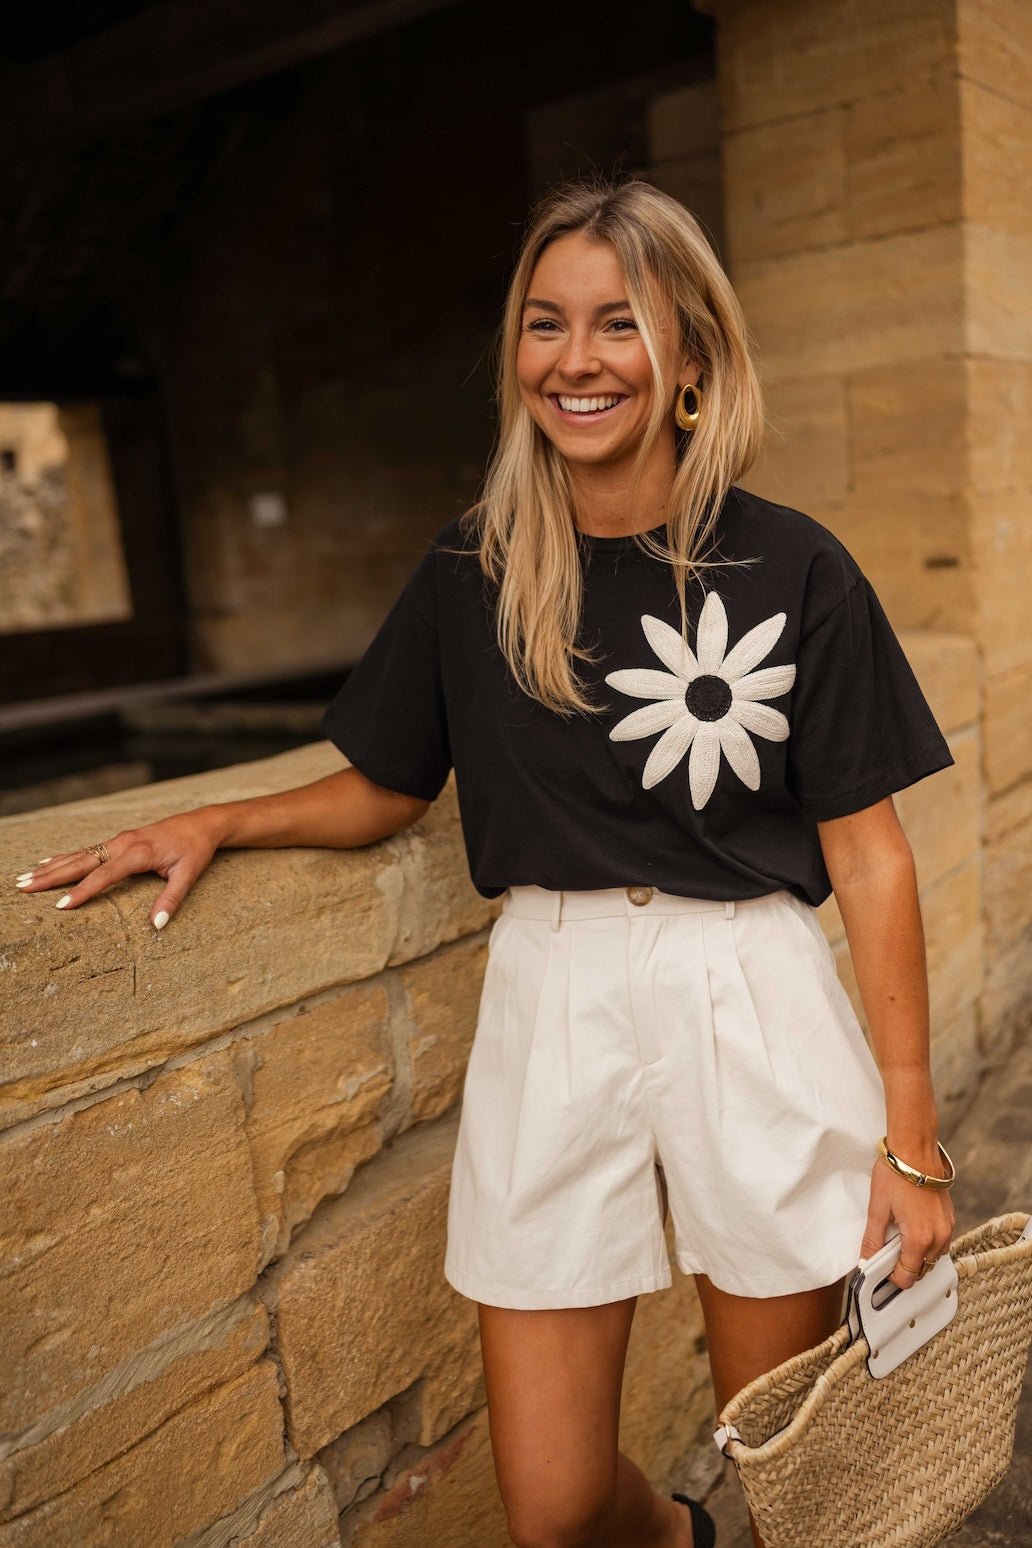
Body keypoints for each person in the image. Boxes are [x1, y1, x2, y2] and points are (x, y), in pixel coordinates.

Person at [16, 178, 958, 1548]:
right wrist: (216, 821)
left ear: (693, 353)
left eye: (619, 323)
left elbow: (870, 861)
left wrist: (912, 1143)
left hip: (746, 991)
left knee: (794, 1473)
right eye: (544, 322)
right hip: (550, 995)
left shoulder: (792, 568)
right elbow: (387, 782)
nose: (576, 360)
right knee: (557, 1508)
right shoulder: (476, 567)